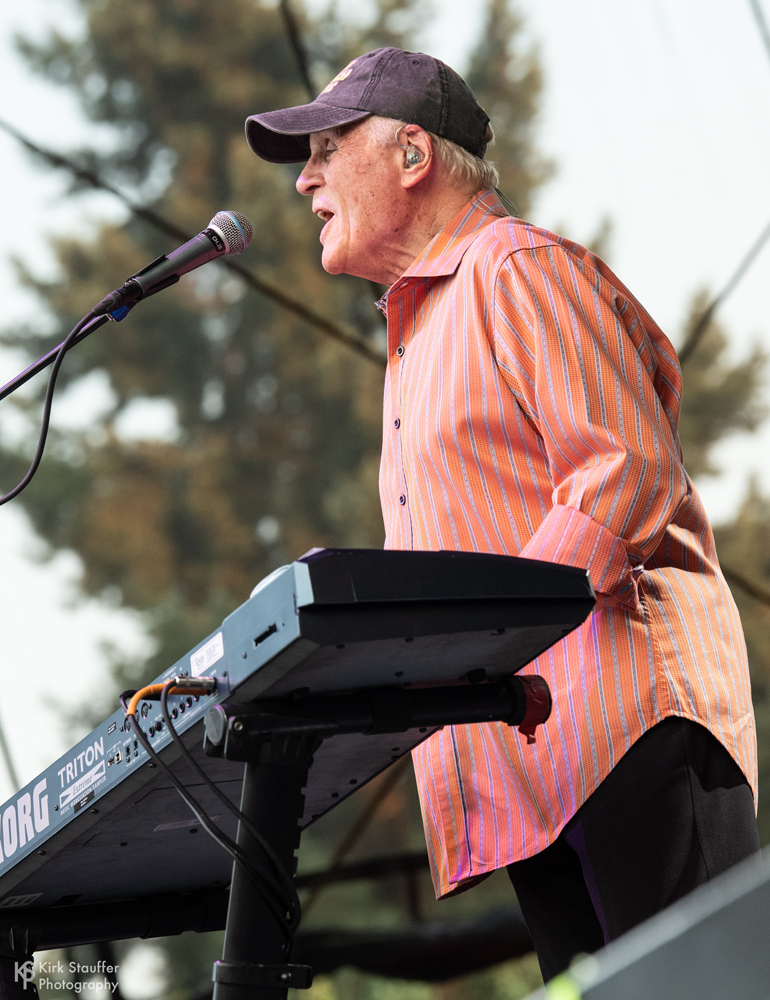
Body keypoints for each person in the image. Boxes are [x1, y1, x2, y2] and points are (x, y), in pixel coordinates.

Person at [245, 47, 760, 981]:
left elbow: (624, 466)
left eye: (326, 150)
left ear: (413, 155)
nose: (305, 182)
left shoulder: (515, 267)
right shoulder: (420, 333)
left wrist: (491, 640)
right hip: (529, 757)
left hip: (624, 728)